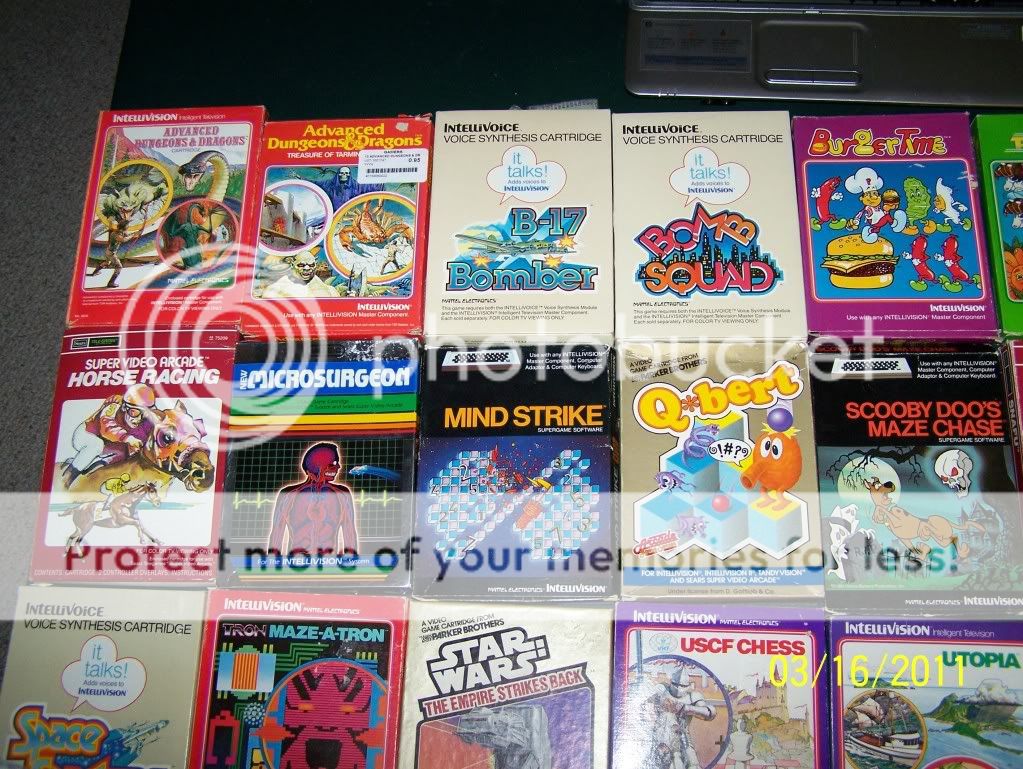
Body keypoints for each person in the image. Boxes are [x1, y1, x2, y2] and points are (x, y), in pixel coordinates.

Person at [268, 442, 359, 559]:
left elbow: (349, 533)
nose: (338, 467)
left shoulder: (342, 495)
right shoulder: (289, 495)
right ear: (318, 464)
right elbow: (277, 532)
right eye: (333, 463)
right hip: (297, 563)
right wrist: (272, 563)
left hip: (327, 563)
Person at [62, 384, 156, 487]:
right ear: (124, 407)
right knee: (96, 444)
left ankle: (94, 467)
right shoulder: (114, 405)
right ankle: (68, 477)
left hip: (106, 444)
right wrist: (128, 438)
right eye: (135, 412)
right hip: (86, 435)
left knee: (122, 453)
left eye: (145, 414)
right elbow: (106, 427)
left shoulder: (142, 422)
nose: (139, 419)